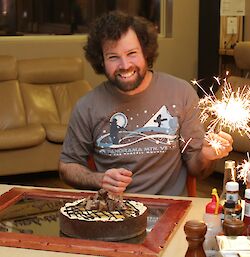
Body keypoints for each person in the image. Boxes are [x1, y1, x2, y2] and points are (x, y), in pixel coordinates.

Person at [59, 11, 233, 196]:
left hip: (171, 212)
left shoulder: (181, 93)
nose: (124, 65)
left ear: (146, 53)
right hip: (117, 214)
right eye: (113, 57)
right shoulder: (88, 106)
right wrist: (99, 179)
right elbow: (67, 167)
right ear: (101, 61)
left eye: (132, 53)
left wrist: (206, 156)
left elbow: (197, 169)